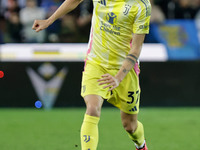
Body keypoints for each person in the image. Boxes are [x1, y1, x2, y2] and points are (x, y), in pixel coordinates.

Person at [32, 0, 151, 149]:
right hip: (96, 62)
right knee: (92, 108)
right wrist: (49, 21)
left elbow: (136, 49)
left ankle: (141, 145)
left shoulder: (141, 5)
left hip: (125, 69)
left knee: (130, 126)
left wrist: (118, 77)